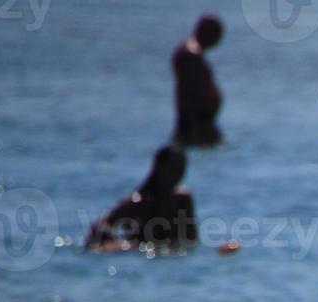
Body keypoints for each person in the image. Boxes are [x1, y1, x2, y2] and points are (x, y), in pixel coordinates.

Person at [86, 144, 197, 250]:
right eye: (173, 168)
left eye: (181, 168)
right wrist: (122, 246)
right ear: (158, 167)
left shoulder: (183, 200)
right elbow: (98, 229)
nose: (178, 173)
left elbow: (191, 241)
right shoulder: (140, 201)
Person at [173, 14, 224, 147]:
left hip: (201, 123)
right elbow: (191, 93)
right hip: (196, 125)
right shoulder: (190, 56)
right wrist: (195, 127)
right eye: (215, 33)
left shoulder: (194, 55)